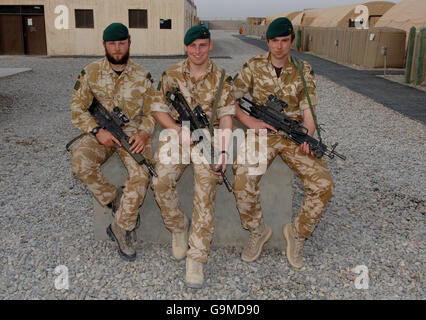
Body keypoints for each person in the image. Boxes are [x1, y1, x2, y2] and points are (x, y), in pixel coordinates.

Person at [231, 17, 335, 268]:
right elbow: (229, 97)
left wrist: (307, 137)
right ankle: (257, 230)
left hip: (292, 135)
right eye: (274, 41)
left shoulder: (303, 69)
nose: (279, 46)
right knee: (243, 177)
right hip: (262, 132)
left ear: (292, 41)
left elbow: (308, 110)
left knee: (323, 184)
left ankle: (298, 234)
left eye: (284, 41)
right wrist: (250, 122)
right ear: (267, 41)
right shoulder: (253, 66)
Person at [151, 25, 234, 288]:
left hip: (208, 138)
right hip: (178, 136)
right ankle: (177, 225)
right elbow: (157, 109)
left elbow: (227, 118)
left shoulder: (222, 78)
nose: (197, 51)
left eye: (202, 45)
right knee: (160, 180)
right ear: (186, 47)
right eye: (192, 46)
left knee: (206, 190)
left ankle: (196, 258)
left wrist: (222, 151)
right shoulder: (171, 74)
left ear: (210, 45)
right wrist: (176, 129)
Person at [70, 23, 160, 262]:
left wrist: (143, 134)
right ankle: (115, 199)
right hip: (102, 133)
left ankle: (121, 227)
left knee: (141, 174)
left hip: (131, 133)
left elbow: (153, 111)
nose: (117, 48)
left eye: (121, 43)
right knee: (80, 161)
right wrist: (96, 130)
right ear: (104, 45)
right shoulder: (90, 73)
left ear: (129, 43)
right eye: (112, 44)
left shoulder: (143, 76)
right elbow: (77, 109)